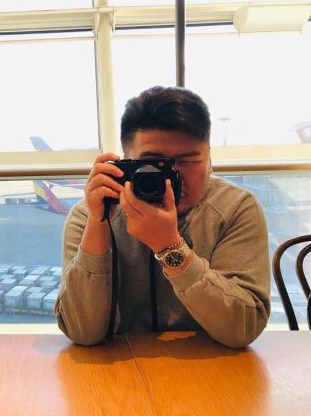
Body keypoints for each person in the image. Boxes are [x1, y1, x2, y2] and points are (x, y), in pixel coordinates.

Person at [55, 86, 270, 348]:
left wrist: (170, 247)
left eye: (188, 161)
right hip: (118, 364)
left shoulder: (235, 208)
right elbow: (82, 332)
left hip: (208, 363)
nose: (173, 177)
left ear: (210, 158)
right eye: (155, 164)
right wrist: (98, 226)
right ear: (126, 163)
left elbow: (244, 328)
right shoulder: (90, 214)